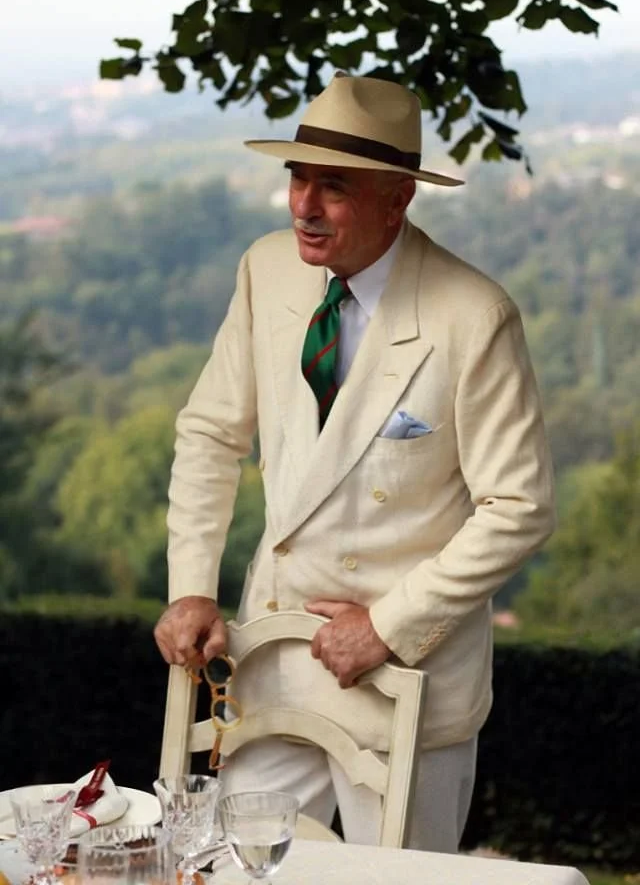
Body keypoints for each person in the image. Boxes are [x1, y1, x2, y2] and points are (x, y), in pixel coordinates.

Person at [154, 73, 556, 853]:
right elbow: (209, 433)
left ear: (398, 198)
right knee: (233, 868)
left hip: (405, 681)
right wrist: (192, 585)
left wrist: (387, 626)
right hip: (272, 663)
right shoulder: (267, 269)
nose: (303, 206)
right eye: (298, 178)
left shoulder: (474, 316)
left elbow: (521, 508)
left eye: (333, 187)